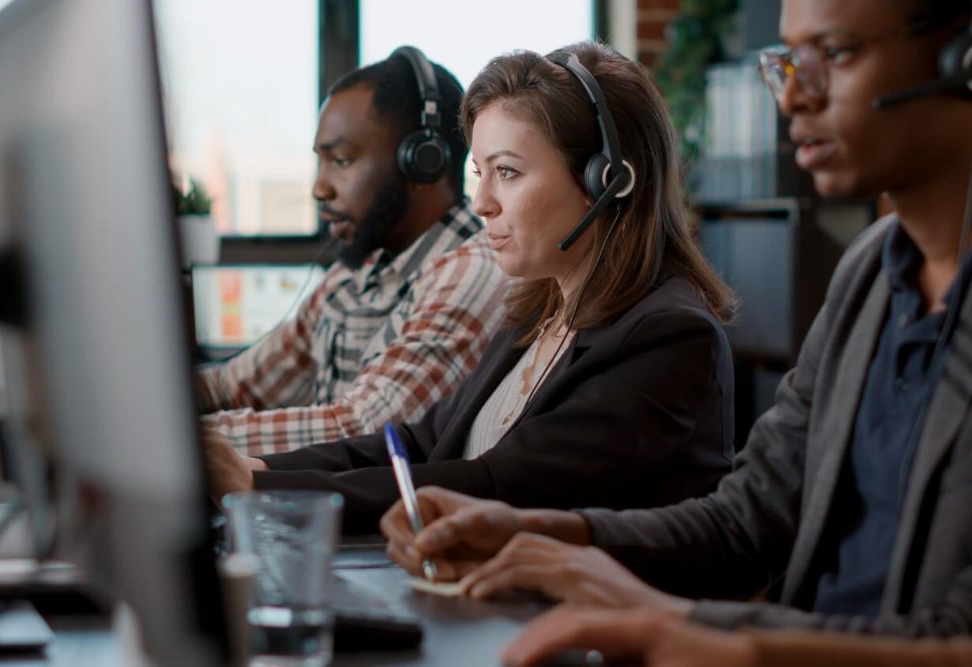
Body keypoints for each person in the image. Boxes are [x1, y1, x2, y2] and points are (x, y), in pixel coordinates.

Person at [382, 0, 972, 638]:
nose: (795, 97)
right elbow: (744, 521)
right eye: (788, 63)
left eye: (834, 53)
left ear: (960, 57)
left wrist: (696, 633)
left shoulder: (668, 328)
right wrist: (542, 532)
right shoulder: (869, 277)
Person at [203, 41, 736, 533]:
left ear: (608, 180)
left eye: (506, 172)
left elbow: (499, 484)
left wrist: (265, 490)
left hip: (602, 629)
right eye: (479, 172)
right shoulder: (537, 314)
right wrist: (260, 466)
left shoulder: (667, 335)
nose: (482, 202)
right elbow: (417, 442)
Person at [196, 47, 508, 456]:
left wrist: (188, 441)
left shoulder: (471, 272)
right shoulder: (355, 272)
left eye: (341, 160)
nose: (318, 188)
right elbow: (233, 385)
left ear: (422, 163)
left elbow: (363, 428)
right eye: (321, 162)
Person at [503, 607, 972, 667]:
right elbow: (749, 511)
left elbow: (954, 633)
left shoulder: (674, 330)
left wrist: (690, 620)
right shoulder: (850, 325)